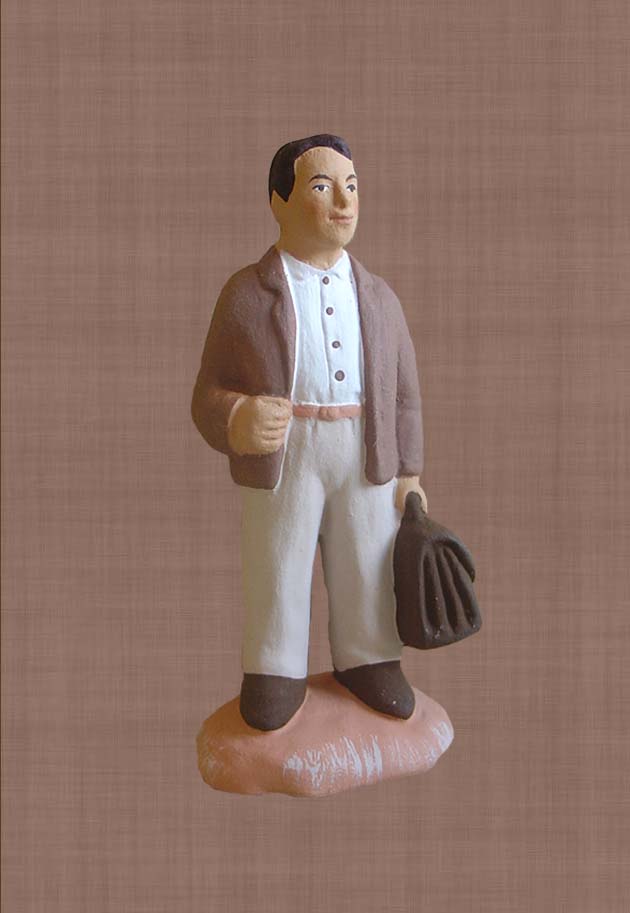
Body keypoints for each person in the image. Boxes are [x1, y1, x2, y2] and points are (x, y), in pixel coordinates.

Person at [191, 134, 428, 730]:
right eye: (323, 187)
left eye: (352, 187)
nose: (343, 202)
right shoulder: (246, 294)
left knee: (369, 558)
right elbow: (207, 392)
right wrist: (239, 417)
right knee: (278, 559)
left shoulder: (380, 298)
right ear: (279, 200)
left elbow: (404, 395)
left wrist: (409, 471)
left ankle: (370, 659)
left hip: (365, 450)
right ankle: (274, 670)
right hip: (285, 450)